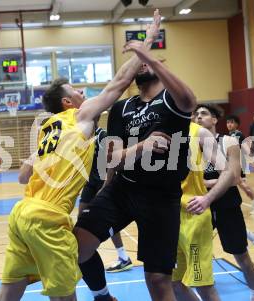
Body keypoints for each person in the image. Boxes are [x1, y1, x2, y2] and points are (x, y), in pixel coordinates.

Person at [0, 9, 163, 301]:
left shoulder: (49, 130)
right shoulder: (79, 116)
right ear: (67, 101)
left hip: (21, 214)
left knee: (10, 291)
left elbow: (23, 176)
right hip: (47, 218)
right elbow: (121, 81)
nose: (84, 92)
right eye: (77, 90)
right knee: (64, 295)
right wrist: (147, 40)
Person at [73, 14, 237, 300]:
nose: (143, 64)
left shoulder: (172, 102)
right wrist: (140, 149)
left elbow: (189, 99)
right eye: (141, 62)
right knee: (79, 246)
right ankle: (102, 296)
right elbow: (111, 157)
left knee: (158, 280)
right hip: (122, 189)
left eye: (150, 61)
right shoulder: (121, 108)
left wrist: (148, 52)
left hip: (162, 198)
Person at [194, 105, 254, 301]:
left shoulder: (228, 141)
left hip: (227, 204)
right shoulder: (191, 145)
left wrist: (204, 183)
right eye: (195, 115)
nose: (198, 117)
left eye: (203, 114)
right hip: (198, 207)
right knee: (195, 254)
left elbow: (235, 177)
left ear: (214, 120)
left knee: (241, 257)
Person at [172, 115, 224, 301]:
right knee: (173, 283)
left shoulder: (199, 132)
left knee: (202, 284)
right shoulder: (156, 131)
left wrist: (208, 197)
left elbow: (229, 173)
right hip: (168, 218)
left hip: (193, 216)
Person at [78, 126, 133, 273]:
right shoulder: (80, 135)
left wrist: (106, 185)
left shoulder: (102, 135)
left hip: (102, 181)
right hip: (90, 182)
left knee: (107, 221)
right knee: (81, 221)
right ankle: (84, 257)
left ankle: (123, 257)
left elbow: (112, 160)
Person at [226, 115, 254, 215]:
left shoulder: (236, 134)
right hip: (233, 164)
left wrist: (253, 161)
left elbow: (245, 147)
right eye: (228, 122)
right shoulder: (231, 134)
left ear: (236, 124)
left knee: (242, 184)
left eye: (232, 122)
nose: (229, 124)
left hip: (237, 164)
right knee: (241, 184)